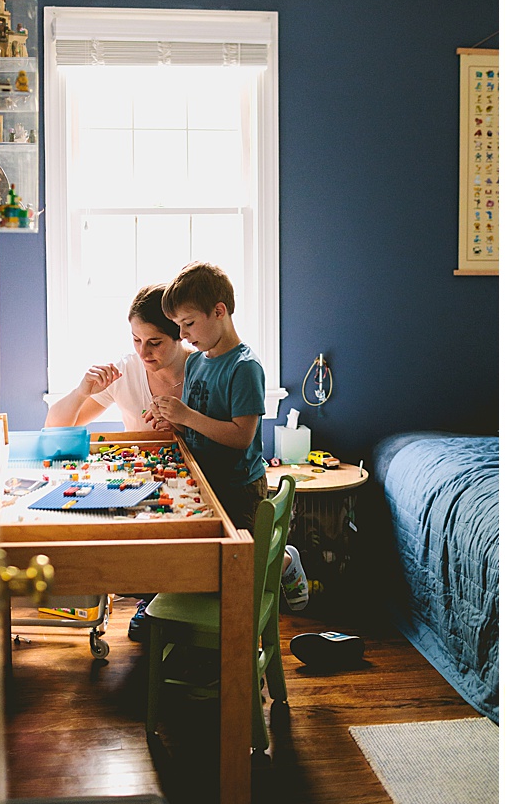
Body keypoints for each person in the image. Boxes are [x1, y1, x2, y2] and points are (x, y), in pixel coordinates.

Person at [151, 261, 308, 611]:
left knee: (243, 568)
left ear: (219, 311)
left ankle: (284, 562)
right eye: (178, 326)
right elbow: (198, 423)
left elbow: (241, 436)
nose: (183, 335)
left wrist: (187, 415)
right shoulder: (195, 362)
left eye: (189, 324)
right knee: (213, 566)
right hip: (204, 480)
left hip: (239, 486)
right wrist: (173, 421)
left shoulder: (244, 367)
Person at [45, 284, 190, 432]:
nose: (143, 353)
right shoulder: (124, 372)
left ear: (180, 334)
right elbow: (53, 429)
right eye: (136, 340)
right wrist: (81, 393)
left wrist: (183, 428)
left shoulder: (206, 368)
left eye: (155, 343)